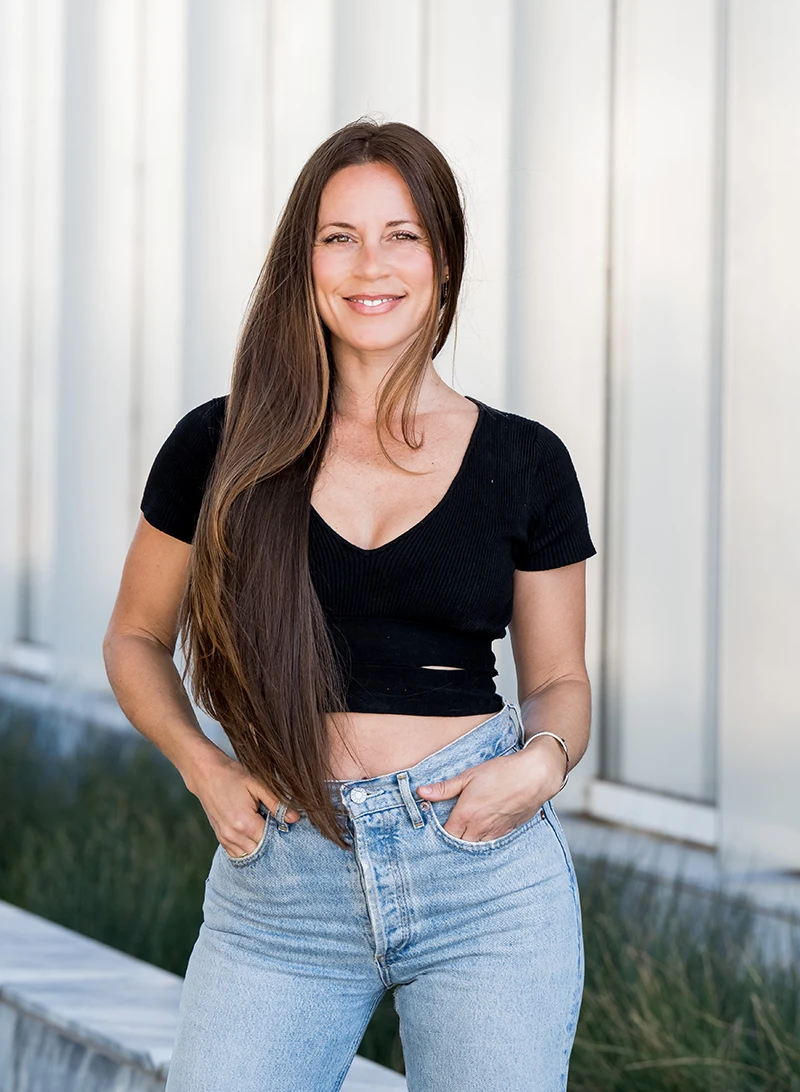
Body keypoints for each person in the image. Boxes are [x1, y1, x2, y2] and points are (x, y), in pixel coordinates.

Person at [103, 118, 597, 1092]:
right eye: (339, 236)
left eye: (401, 233)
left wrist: (537, 767)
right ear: (305, 262)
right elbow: (134, 636)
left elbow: (558, 681)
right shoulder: (220, 446)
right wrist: (202, 767)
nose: (370, 263)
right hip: (282, 879)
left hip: (479, 869)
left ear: (443, 260)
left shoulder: (523, 463)